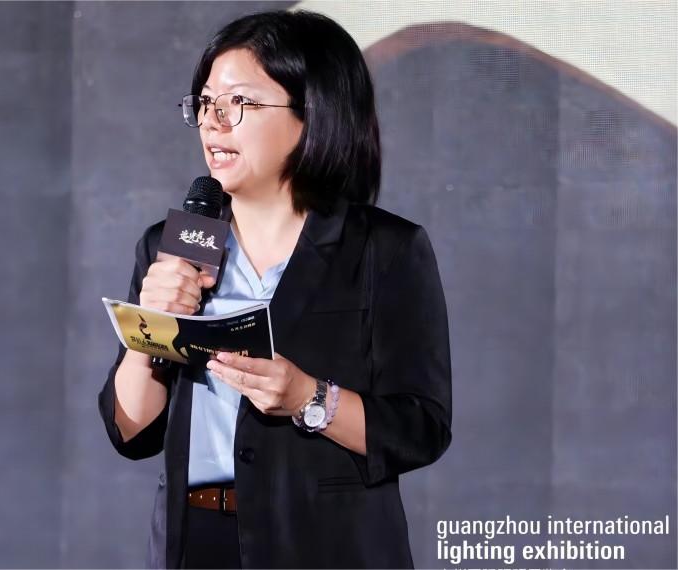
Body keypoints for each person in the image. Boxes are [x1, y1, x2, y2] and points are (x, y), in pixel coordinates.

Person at [97, 9, 452, 569]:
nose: (213, 122)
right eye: (205, 103)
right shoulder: (173, 245)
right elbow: (130, 431)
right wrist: (148, 327)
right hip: (196, 543)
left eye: (240, 102)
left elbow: (420, 429)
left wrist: (309, 399)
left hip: (328, 548)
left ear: (312, 114)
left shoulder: (383, 249)